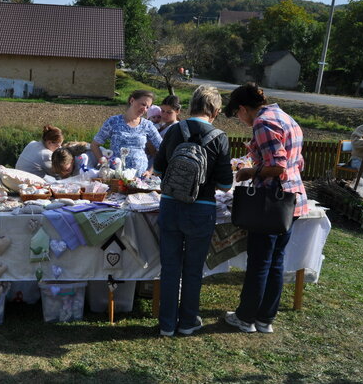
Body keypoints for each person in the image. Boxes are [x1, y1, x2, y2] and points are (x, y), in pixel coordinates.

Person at [222, 82, 308, 334]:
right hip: (291, 201)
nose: (240, 120)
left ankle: (246, 318)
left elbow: (277, 166)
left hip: (271, 202)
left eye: (237, 115)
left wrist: (251, 171)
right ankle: (265, 319)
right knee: (276, 262)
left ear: (242, 108)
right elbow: (297, 162)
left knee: (260, 262)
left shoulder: (263, 122)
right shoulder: (286, 118)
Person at [153, 84, 232, 337]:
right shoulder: (220, 137)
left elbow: (158, 170)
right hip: (202, 209)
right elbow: (226, 184)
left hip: (171, 205)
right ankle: (187, 322)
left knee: (170, 267)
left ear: (191, 105)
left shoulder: (174, 130)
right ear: (215, 111)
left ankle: (166, 323)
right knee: (193, 268)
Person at [91, 90, 162, 177]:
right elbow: (95, 145)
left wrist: (150, 171)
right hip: (116, 176)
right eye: (143, 104)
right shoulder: (113, 121)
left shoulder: (148, 125)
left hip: (139, 178)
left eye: (148, 107)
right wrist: (105, 165)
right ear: (132, 101)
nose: (145, 109)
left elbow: (162, 148)